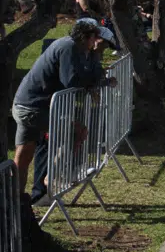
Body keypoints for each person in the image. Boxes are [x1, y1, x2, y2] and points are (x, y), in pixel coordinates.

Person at [12, 20, 118, 198]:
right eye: (94, 38)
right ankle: (54, 176)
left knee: (23, 157)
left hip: (29, 105)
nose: (95, 43)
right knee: (77, 132)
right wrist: (93, 84)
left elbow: (90, 75)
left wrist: (94, 78)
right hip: (34, 108)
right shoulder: (68, 47)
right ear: (87, 36)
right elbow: (71, 81)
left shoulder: (76, 48)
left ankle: (17, 201)